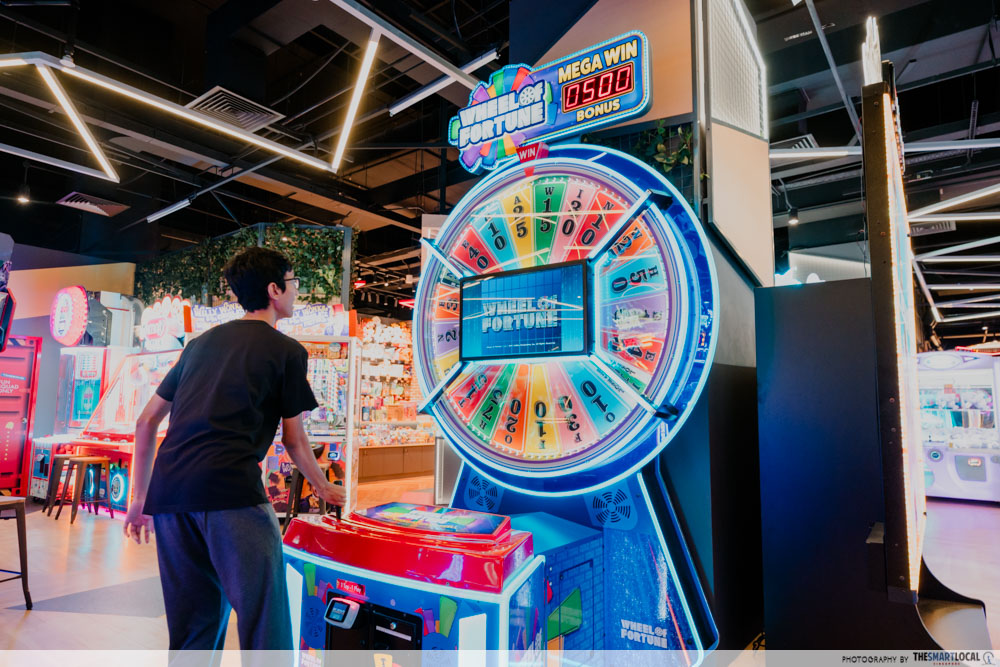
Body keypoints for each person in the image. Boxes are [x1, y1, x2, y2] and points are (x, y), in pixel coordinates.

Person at [122, 247, 345, 653]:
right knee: (265, 624)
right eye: (293, 283)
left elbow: (145, 421)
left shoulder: (198, 345)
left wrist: (139, 500)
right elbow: (294, 442)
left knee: (192, 630)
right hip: (232, 494)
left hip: (170, 497)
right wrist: (325, 488)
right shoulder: (287, 351)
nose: (297, 292)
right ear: (275, 290)